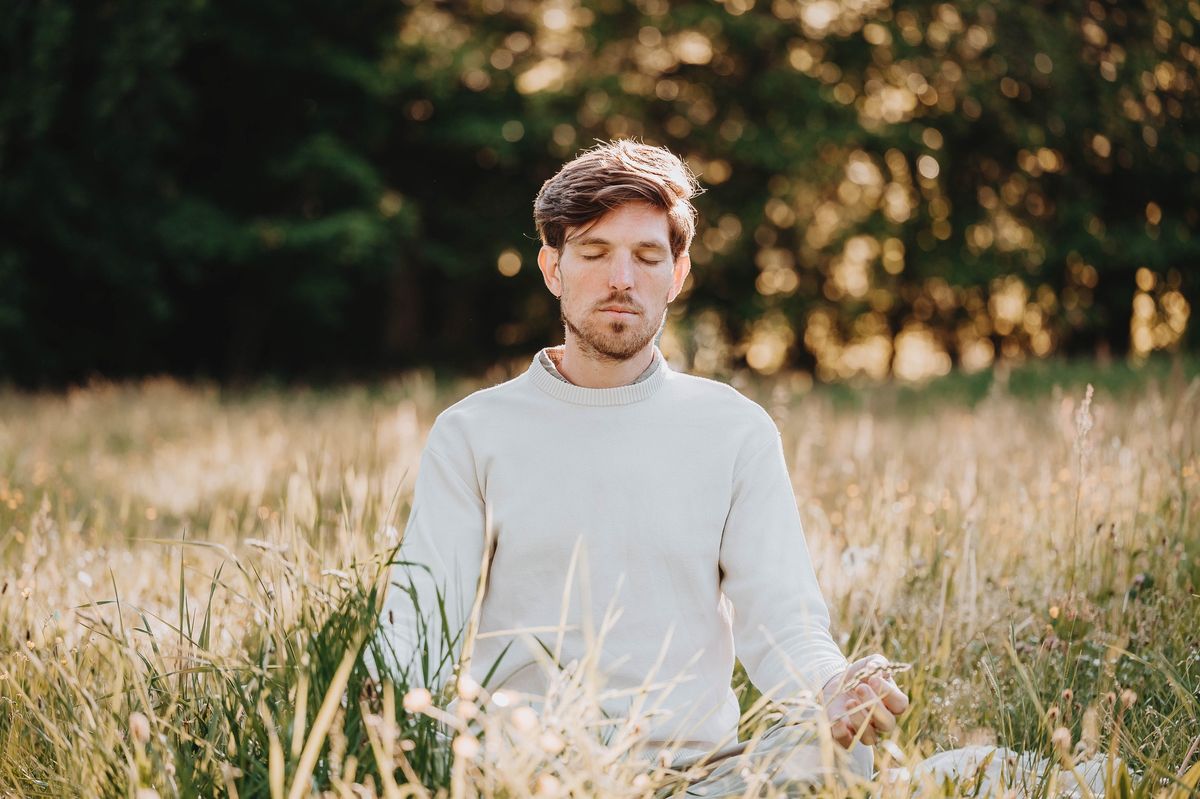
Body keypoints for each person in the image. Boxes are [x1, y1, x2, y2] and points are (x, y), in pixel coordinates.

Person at [373, 139, 909, 792]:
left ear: (676, 273)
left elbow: (784, 622)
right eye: (594, 253)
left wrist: (835, 687)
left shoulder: (734, 430)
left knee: (835, 754)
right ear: (552, 267)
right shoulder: (472, 433)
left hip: (699, 780)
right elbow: (418, 629)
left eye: (647, 257)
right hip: (529, 777)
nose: (621, 279)